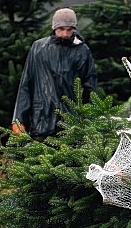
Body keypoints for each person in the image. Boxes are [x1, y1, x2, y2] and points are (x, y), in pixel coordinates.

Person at [12, 8, 98, 139]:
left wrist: (90, 121)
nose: (65, 34)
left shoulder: (82, 51)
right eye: (61, 29)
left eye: (69, 30)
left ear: (74, 29)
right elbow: (26, 84)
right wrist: (19, 120)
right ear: (54, 28)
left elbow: (90, 88)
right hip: (41, 122)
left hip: (72, 124)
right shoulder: (38, 48)